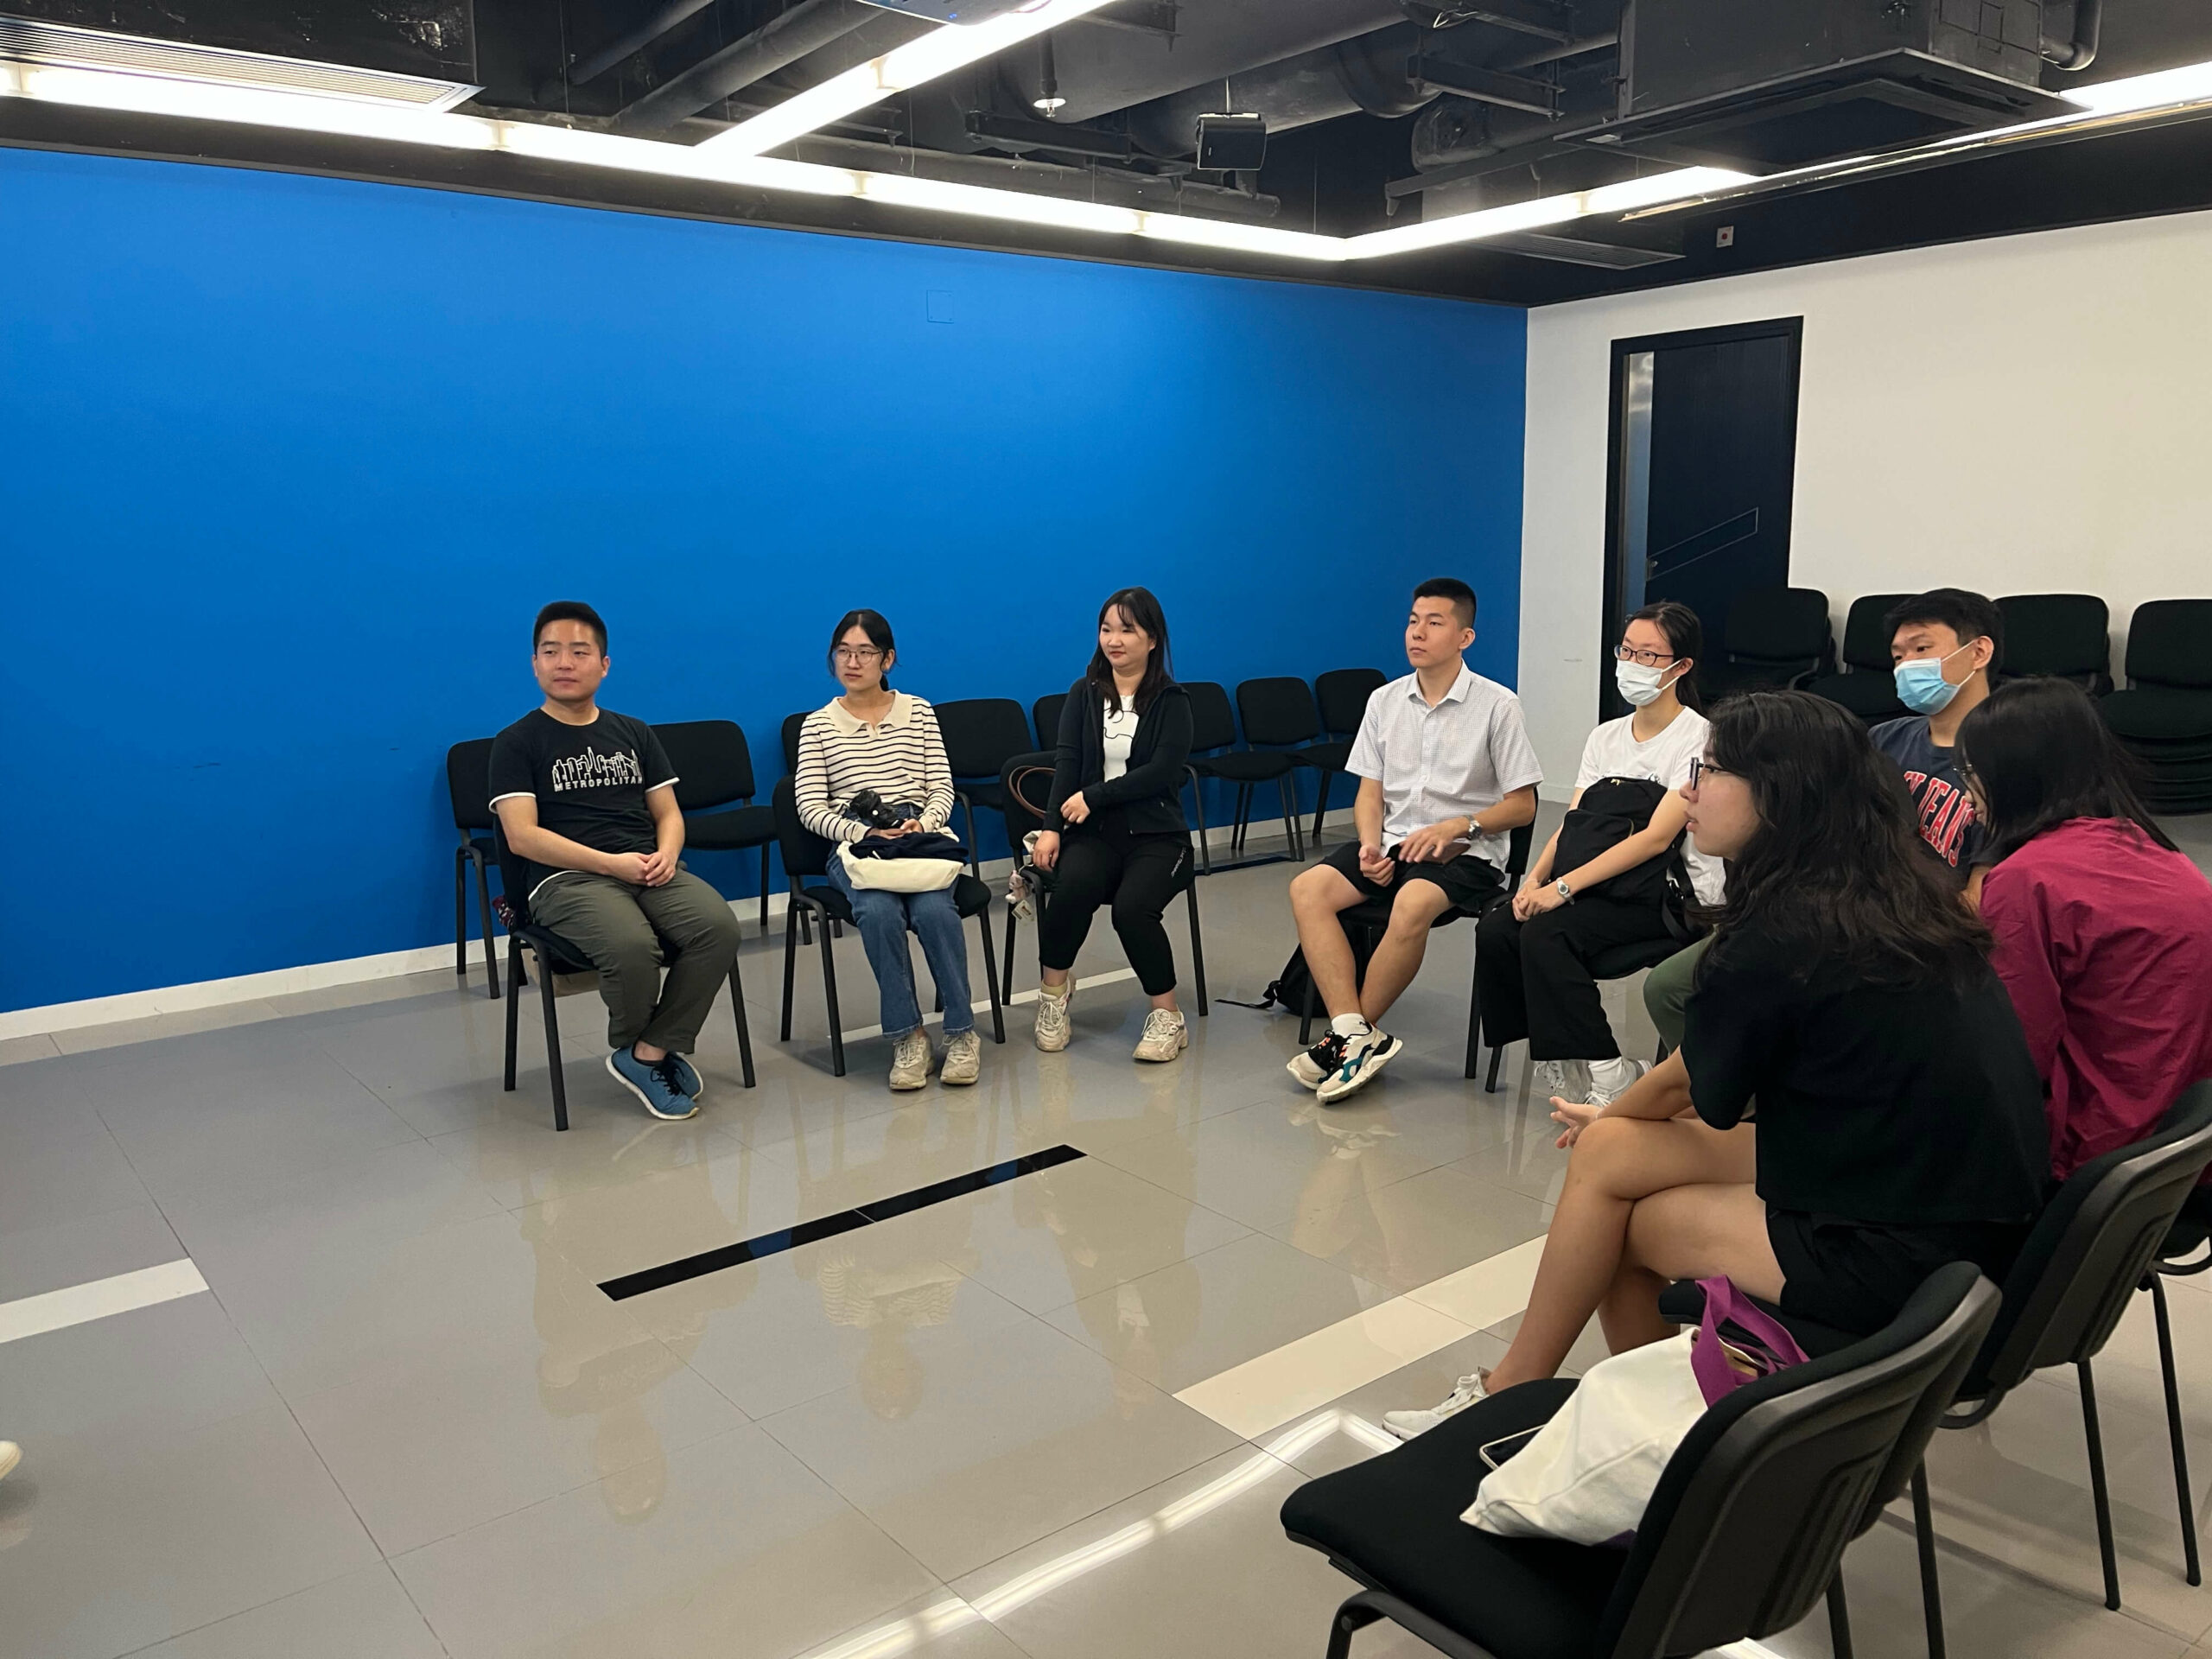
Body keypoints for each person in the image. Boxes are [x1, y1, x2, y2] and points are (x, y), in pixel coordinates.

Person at [1386, 691, 2046, 1439]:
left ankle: (1675, 1439)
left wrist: (1612, 1115)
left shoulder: (1782, 929)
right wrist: (1619, 1121)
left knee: (1621, 1228)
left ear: (1781, 792)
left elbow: (1686, 1084)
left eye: (1709, 771)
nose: (1686, 791)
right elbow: (1724, 1086)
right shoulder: (1896, 891)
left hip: (1912, 1255)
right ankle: (1549, 1394)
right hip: (1971, 1212)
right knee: (1614, 1151)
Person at [1643, 584, 2005, 1052]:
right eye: (1897, 656)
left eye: (1922, 649)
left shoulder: (2003, 757)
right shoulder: (1882, 740)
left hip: (1906, 932)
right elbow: (1831, 833)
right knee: (1674, 986)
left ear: (1977, 651)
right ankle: (1727, 1103)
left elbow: (1978, 900)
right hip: (1837, 911)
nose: (1907, 666)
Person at [1285, 578, 1541, 1103]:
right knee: (1308, 890)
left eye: (1434, 622)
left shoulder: (1498, 705)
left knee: (1412, 901)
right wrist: (1368, 845)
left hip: (1468, 851)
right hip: (1394, 842)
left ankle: (1347, 1041)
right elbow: (1369, 793)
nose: (1417, 632)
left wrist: (1460, 826)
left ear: (1465, 636)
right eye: (1412, 620)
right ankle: (1353, 1033)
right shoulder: (1384, 701)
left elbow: (1524, 805)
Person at [489, 601, 741, 1122]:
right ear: (534, 664)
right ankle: (645, 1050)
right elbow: (522, 837)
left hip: (647, 866)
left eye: (579, 652)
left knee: (718, 927)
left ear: (604, 664)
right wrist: (610, 864)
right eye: (551, 651)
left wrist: (668, 853)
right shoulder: (516, 743)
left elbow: (668, 813)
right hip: (564, 879)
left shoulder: (634, 731)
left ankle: (646, 1052)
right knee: (632, 945)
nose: (565, 662)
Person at [1957, 677, 2212, 1181]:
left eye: (1971, 774)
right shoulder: (2160, 853)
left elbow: (2013, 1054)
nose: (1968, 797)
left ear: (2013, 773)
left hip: (2091, 1155)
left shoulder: (2027, 879)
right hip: (2179, 1148)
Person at [1474, 601, 1723, 1109]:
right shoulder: (1604, 736)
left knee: (1547, 931)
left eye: (1649, 655)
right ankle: (1565, 1056)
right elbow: (1574, 823)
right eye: (1626, 650)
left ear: (1683, 666)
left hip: (1670, 896)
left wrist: (1562, 890)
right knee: (1499, 926)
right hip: (1602, 886)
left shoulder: (1699, 737)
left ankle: (1611, 1070)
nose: (1632, 663)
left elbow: (1656, 839)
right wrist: (1535, 880)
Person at [795, 608, 980, 1092]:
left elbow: (941, 785)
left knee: (936, 911)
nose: (852, 662)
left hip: (919, 840)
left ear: (888, 659)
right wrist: (863, 835)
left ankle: (961, 1032)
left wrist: (924, 821)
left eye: (865, 652)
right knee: (877, 913)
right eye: (843, 652)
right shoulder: (817, 726)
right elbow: (810, 809)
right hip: (858, 845)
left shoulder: (918, 711)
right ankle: (908, 1036)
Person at [1032, 588, 1197, 1064]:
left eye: (1128, 629)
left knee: (1132, 910)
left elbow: (1162, 772)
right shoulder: (1082, 694)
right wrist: (1051, 827)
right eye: (1107, 629)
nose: (1114, 640)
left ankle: (1168, 1016)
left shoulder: (1172, 700)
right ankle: (1053, 996)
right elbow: (1067, 764)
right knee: (1071, 890)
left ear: (1152, 639)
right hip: (1096, 834)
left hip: (1158, 836)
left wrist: (1096, 795)